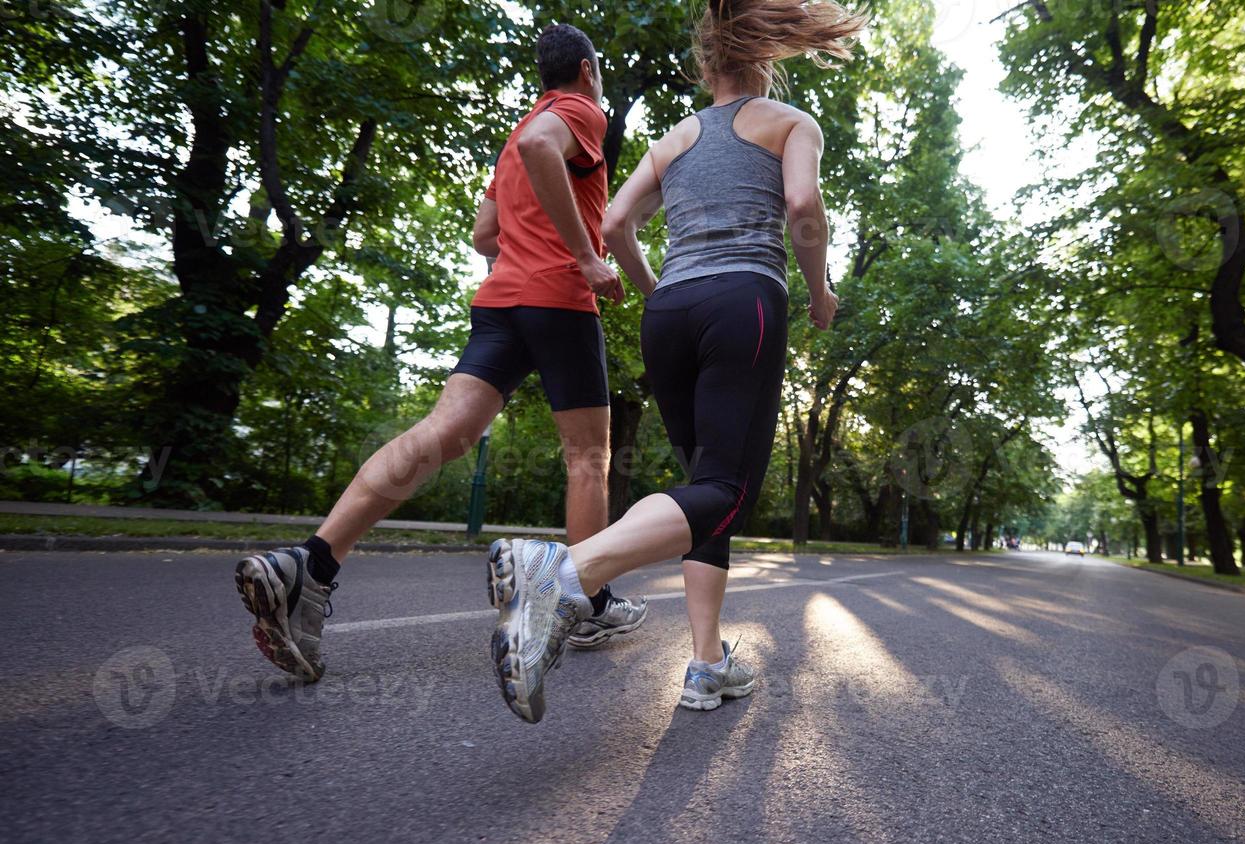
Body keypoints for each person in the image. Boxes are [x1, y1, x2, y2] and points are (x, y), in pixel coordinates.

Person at [486, 0, 865, 724]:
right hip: (742, 301)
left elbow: (613, 224)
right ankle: (564, 571)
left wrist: (656, 291)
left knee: (705, 493)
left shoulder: (674, 140)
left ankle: (706, 663)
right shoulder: (789, 124)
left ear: (706, 64)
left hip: (669, 316)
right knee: (724, 491)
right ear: (764, 56)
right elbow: (803, 206)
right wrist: (818, 289)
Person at [234, 24, 647, 683]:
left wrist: (525, 256)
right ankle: (589, 600)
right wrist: (581, 256)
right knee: (588, 459)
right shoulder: (576, 113)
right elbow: (547, 150)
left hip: (501, 303)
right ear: (586, 70)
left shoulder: (517, 132)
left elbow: (485, 230)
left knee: (440, 434)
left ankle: (310, 566)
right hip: (560, 302)